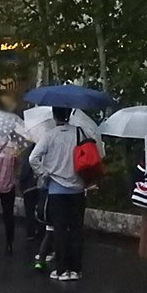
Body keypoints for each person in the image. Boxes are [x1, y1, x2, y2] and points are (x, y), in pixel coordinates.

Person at [28, 107, 87, 281]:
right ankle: (76, 269)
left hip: (56, 190)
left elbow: (33, 158)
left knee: (59, 230)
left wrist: (44, 173)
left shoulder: (49, 135)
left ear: (54, 116)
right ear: (69, 114)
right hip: (78, 189)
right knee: (76, 230)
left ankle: (62, 270)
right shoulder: (80, 133)